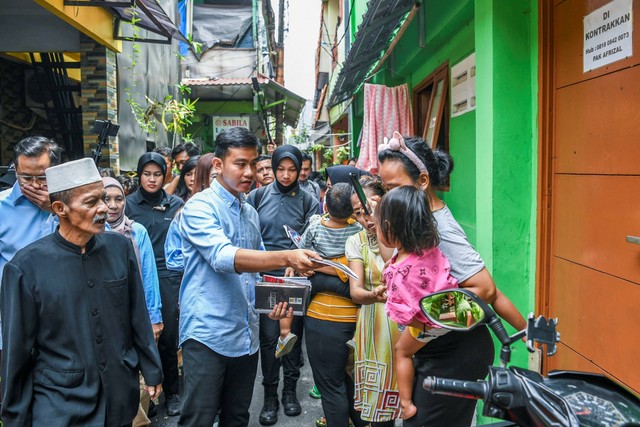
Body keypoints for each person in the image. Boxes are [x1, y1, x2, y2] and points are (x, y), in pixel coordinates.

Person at [377, 131, 526, 426]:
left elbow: (484, 289)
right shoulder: (416, 218)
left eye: (393, 187)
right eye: (385, 187)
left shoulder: (438, 229)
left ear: (422, 181)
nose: (388, 196)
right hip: (440, 350)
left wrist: (424, 323)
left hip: (455, 353)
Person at [176, 127, 322, 427]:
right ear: (218, 165)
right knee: (199, 419)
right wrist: (287, 256)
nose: (249, 172)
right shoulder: (200, 207)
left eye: (252, 164)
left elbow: (258, 272)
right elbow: (223, 257)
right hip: (208, 334)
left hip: (245, 335)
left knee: (238, 417)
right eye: (240, 164)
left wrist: (276, 301)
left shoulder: (249, 212)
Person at [1, 158, 163, 426]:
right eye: (91, 202)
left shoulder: (120, 248)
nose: (104, 209)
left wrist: (151, 367)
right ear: (60, 208)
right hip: (60, 401)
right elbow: (17, 349)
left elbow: (137, 314)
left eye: (102, 198)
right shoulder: (25, 267)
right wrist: (15, 416)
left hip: (118, 393)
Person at [246, 145, 319, 425]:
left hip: (295, 279)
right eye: (281, 169)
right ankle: (269, 396)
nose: (286, 175)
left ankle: (289, 391)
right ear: (273, 168)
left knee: (291, 337)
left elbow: (315, 238)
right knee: (268, 338)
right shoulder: (257, 196)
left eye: (292, 169)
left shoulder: (308, 199)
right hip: (264, 278)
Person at [376, 185, 459, 419]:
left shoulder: (398, 271)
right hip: (451, 309)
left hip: (431, 324)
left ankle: (406, 404)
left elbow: (403, 315)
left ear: (389, 229)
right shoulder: (429, 248)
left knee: (401, 351)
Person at [299, 182, 366, 427]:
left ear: (325, 204)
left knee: (331, 385)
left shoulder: (315, 227)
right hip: (356, 318)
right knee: (354, 383)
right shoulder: (360, 231)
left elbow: (301, 258)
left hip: (322, 318)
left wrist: (316, 268)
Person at [126, 152, 184, 416]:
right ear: (139, 175)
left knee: (167, 338)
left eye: (157, 174)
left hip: (167, 276)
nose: (152, 179)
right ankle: (143, 398)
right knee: (138, 337)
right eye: (147, 174)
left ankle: (172, 392)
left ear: (166, 175)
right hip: (133, 276)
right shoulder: (126, 205)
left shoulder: (176, 204)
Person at [103, 176, 164, 426]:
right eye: (106, 199)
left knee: (138, 377)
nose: (113, 205)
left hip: (135, 315)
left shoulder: (136, 231)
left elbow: (149, 277)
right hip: (105, 317)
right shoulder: (91, 234)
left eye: (119, 199)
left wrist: (154, 318)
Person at [346, 176, 400, 426]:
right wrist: (373, 295)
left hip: (406, 323)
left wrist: (382, 223)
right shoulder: (355, 242)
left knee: (413, 403)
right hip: (375, 323)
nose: (365, 219)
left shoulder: (402, 235)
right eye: (359, 213)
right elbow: (356, 291)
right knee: (380, 408)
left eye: (369, 210)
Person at [0, 136, 62, 352]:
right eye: (26, 177)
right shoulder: (1, 207)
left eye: (42, 177)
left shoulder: (73, 204)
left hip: (64, 314)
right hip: (16, 316)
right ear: (14, 170)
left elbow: (103, 237)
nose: (35, 185)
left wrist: (58, 208)